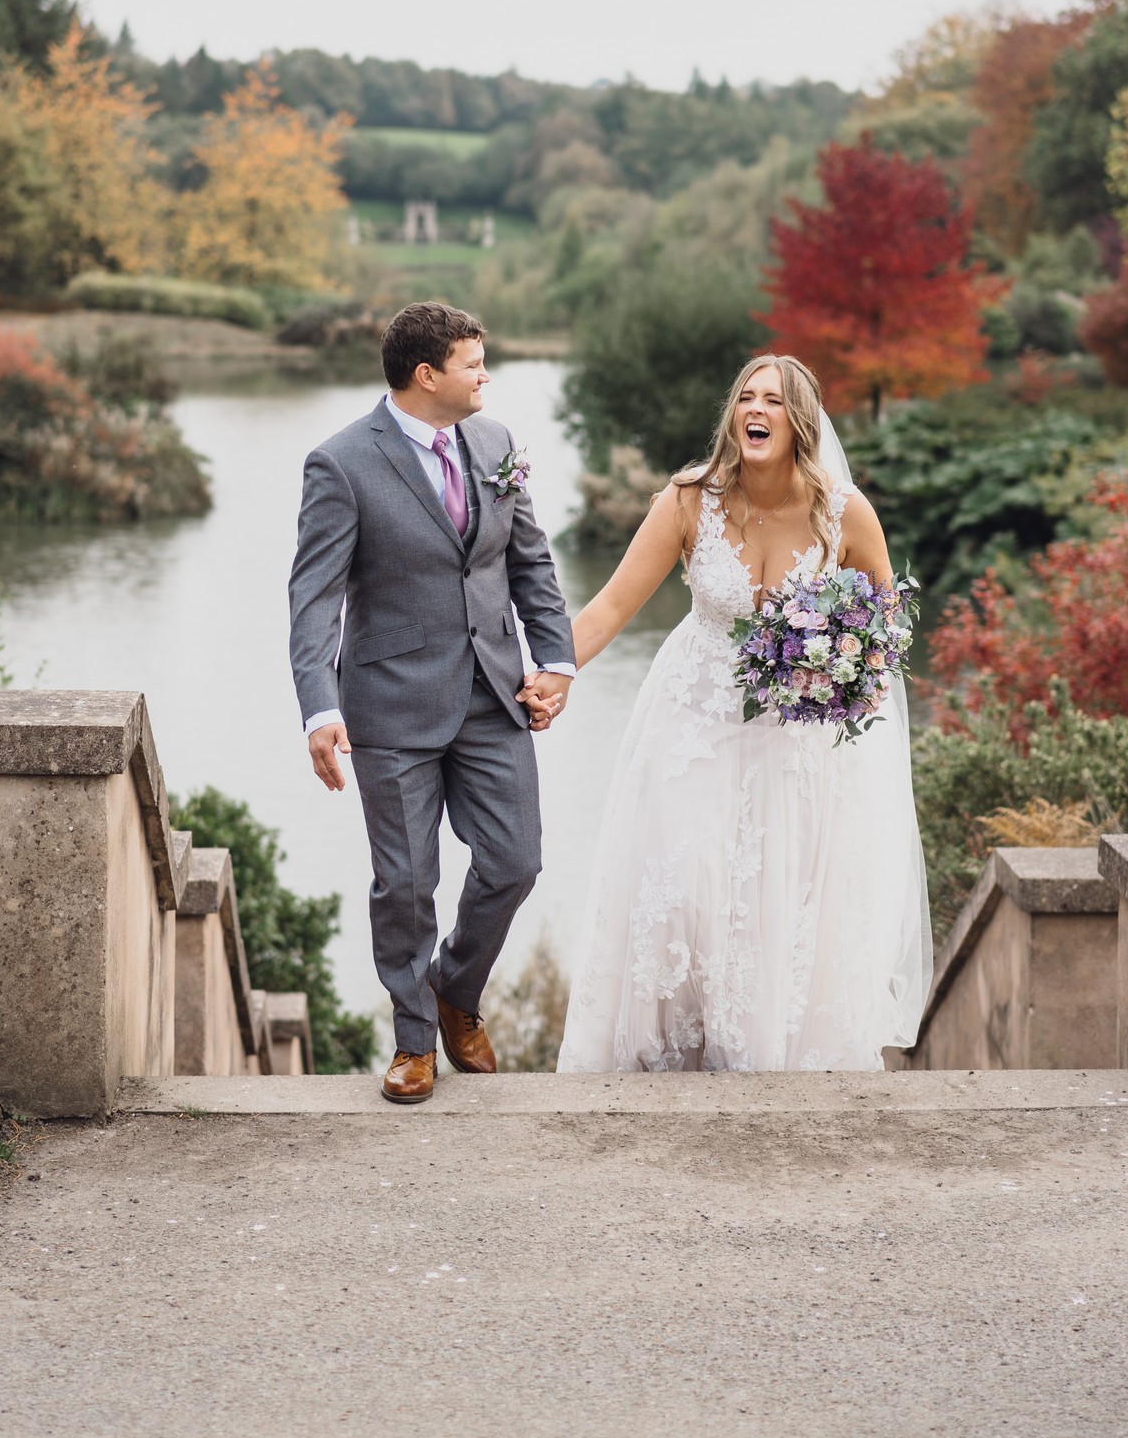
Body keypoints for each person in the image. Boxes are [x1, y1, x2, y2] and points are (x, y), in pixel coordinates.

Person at [543, 353, 931, 1072]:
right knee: (685, 885)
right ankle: (675, 1055)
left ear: (800, 422)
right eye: (746, 397)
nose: (755, 409)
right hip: (690, 726)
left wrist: (838, 676)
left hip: (794, 744)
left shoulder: (845, 514)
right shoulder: (689, 501)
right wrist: (551, 674)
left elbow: (885, 632)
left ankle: (756, 1064)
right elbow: (610, 607)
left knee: (772, 901)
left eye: (774, 401)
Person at [289, 301, 575, 1105]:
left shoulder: (496, 443)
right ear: (428, 375)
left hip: (494, 692)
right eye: (473, 363)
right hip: (390, 705)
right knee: (406, 882)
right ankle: (415, 1040)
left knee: (516, 861)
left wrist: (554, 662)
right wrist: (318, 708)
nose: (486, 375)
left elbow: (530, 562)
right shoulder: (340, 463)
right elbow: (313, 599)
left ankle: (455, 987)